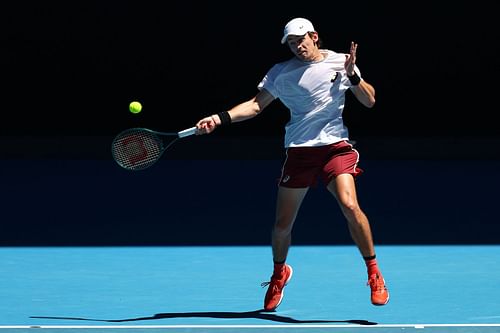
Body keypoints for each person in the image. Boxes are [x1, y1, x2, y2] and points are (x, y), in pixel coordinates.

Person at [195, 17, 389, 311]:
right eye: (292, 43)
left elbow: (370, 101)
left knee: (350, 205)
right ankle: (279, 274)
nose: (297, 47)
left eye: (301, 40)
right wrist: (219, 118)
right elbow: (256, 105)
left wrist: (354, 76)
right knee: (282, 226)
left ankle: (374, 273)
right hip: (299, 152)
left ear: (314, 36)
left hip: (335, 148)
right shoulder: (281, 73)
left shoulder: (342, 62)